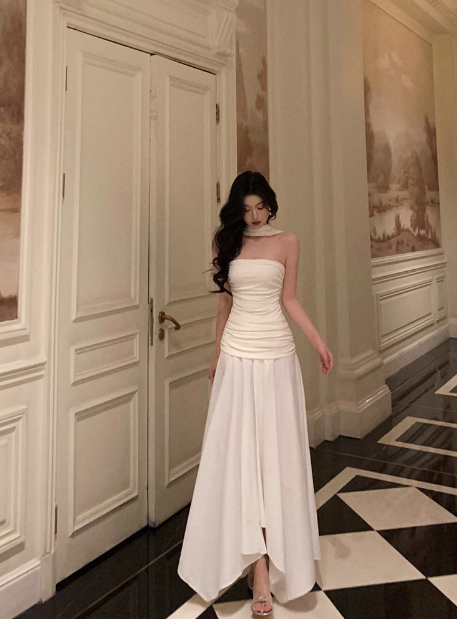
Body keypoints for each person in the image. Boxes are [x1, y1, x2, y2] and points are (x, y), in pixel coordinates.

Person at [178, 171, 333, 616]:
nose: (254, 216)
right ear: (237, 210)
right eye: (246, 209)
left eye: (260, 207)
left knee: (275, 460)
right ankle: (258, 569)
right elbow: (223, 306)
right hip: (236, 356)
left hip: (277, 355)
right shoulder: (227, 243)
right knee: (239, 459)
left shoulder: (288, 241)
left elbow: (290, 299)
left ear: (270, 203)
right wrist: (216, 357)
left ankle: (274, 555)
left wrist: (318, 342)